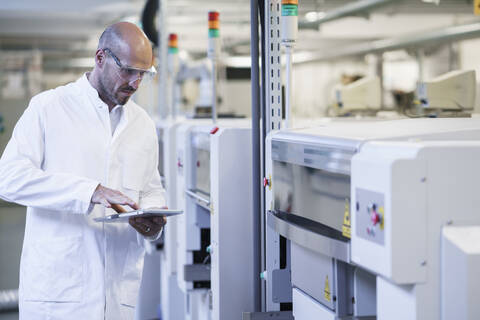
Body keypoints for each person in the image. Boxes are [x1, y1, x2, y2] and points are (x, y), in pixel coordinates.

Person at [0, 22, 166, 319]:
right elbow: (9, 179)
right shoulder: (49, 108)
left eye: (143, 74)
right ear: (100, 58)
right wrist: (89, 191)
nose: (135, 83)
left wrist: (152, 215)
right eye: (127, 70)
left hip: (118, 295)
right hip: (58, 295)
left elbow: (151, 186)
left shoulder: (142, 124)